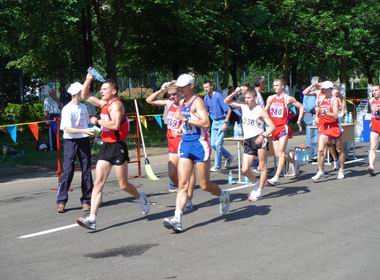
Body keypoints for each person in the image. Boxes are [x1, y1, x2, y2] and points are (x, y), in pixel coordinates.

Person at [76, 73, 150, 230]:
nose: (101, 91)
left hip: (118, 147)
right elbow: (84, 95)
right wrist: (89, 78)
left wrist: (97, 121)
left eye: (105, 89)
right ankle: (92, 218)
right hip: (106, 146)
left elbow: (116, 125)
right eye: (101, 89)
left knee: (123, 185)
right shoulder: (103, 103)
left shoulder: (117, 105)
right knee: (98, 183)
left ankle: (140, 197)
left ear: (114, 91)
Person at [162, 74, 230, 233]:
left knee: (205, 185)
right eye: (179, 87)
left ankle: (222, 195)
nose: (180, 89)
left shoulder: (197, 102)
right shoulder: (181, 102)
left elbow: (206, 123)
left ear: (191, 86)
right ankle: (177, 218)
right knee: (183, 184)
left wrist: (185, 119)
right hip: (186, 144)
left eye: (183, 86)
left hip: (200, 145)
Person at [146, 80, 196, 210]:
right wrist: (162, 91)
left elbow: (195, 120)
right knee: (172, 173)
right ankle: (183, 191)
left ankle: (188, 198)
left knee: (188, 173)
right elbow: (149, 100)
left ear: (180, 93)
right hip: (172, 142)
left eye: (174, 94)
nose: (171, 97)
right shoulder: (168, 103)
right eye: (169, 95)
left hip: (184, 141)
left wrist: (182, 128)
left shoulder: (185, 104)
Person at [225, 87, 275, 201]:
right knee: (245, 170)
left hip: (259, 139)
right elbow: (226, 101)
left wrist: (263, 136)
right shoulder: (243, 106)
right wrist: (235, 92)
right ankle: (256, 183)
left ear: (255, 98)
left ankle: (259, 191)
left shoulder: (260, 110)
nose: (246, 100)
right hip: (248, 140)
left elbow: (272, 126)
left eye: (249, 98)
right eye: (245, 97)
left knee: (262, 167)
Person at [56, 82, 94, 213]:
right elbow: (67, 129)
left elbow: (86, 123)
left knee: (87, 169)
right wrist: (85, 131)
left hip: (83, 140)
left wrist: (92, 130)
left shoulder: (83, 107)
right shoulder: (67, 109)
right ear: (77, 93)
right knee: (68, 170)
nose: (85, 93)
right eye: (83, 91)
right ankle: (61, 201)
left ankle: (87, 200)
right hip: (70, 141)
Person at [265, 79, 304, 185]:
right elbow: (264, 111)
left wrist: (299, 120)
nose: (274, 87)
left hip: (283, 128)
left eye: (277, 85)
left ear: (282, 86)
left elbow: (301, 106)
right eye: (273, 85)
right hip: (274, 129)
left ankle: (276, 177)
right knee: (278, 154)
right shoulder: (270, 98)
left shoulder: (288, 98)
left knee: (281, 153)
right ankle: (295, 163)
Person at [311, 81, 345, 181]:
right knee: (320, 150)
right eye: (323, 89)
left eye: (325, 89)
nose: (323, 90)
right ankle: (320, 171)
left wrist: (325, 111)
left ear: (330, 89)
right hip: (324, 127)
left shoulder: (334, 100)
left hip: (334, 126)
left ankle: (342, 169)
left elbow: (335, 115)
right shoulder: (321, 98)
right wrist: (317, 116)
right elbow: (306, 92)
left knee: (339, 149)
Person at [203, 80, 233, 172]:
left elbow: (229, 110)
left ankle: (217, 166)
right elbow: (206, 112)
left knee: (218, 144)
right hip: (214, 122)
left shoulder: (218, 96)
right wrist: (206, 126)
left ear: (212, 86)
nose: (205, 89)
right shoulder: (206, 98)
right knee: (213, 144)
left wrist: (225, 123)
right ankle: (228, 156)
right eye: (204, 87)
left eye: (207, 87)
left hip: (222, 121)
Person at [368, 84, 380, 176]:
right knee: (373, 147)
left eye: (376, 90)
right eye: (373, 90)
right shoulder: (371, 100)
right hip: (375, 125)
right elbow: (372, 112)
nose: (374, 92)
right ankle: (371, 166)